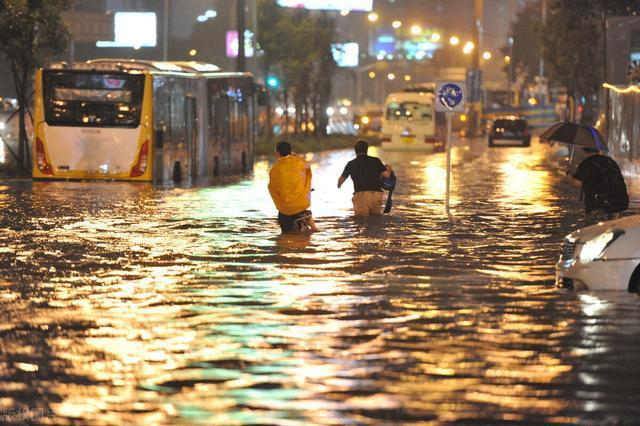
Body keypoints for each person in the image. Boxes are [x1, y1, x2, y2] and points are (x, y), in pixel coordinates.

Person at [568, 147, 629, 225]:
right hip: (617, 205)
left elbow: (576, 183)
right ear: (599, 150)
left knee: (592, 232)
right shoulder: (610, 161)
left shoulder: (586, 163)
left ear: (584, 150)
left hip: (597, 206)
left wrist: (568, 174)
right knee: (614, 230)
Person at [268, 141, 318, 233]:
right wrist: (296, 156)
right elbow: (308, 170)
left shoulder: (274, 169)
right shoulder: (300, 163)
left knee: (286, 235)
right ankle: (313, 229)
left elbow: (272, 187)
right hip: (302, 204)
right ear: (290, 152)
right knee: (313, 230)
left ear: (278, 153)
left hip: (286, 209)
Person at [337, 139, 392, 215]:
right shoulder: (376, 161)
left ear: (355, 151)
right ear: (367, 149)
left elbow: (341, 180)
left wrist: (339, 185)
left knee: (360, 222)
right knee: (375, 222)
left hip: (361, 195)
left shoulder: (351, 164)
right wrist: (389, 168)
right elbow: (386, 175)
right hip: (376, 195)